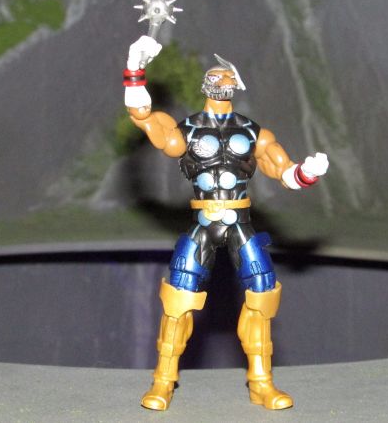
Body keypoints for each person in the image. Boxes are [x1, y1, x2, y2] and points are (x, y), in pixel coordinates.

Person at [124, 36, 329, 411]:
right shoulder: (188, 130)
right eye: (216, 79)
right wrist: (135, 69)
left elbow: (282, 170)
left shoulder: (252, 132)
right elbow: (146, 120)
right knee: (179, 298)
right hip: (203, 219)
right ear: (206, 86)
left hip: (240, 219)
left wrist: (306, 173)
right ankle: (163, 381)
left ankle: (261, 383)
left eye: (227, 79)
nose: (222, 83)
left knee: (262, 294)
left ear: (235, 85)